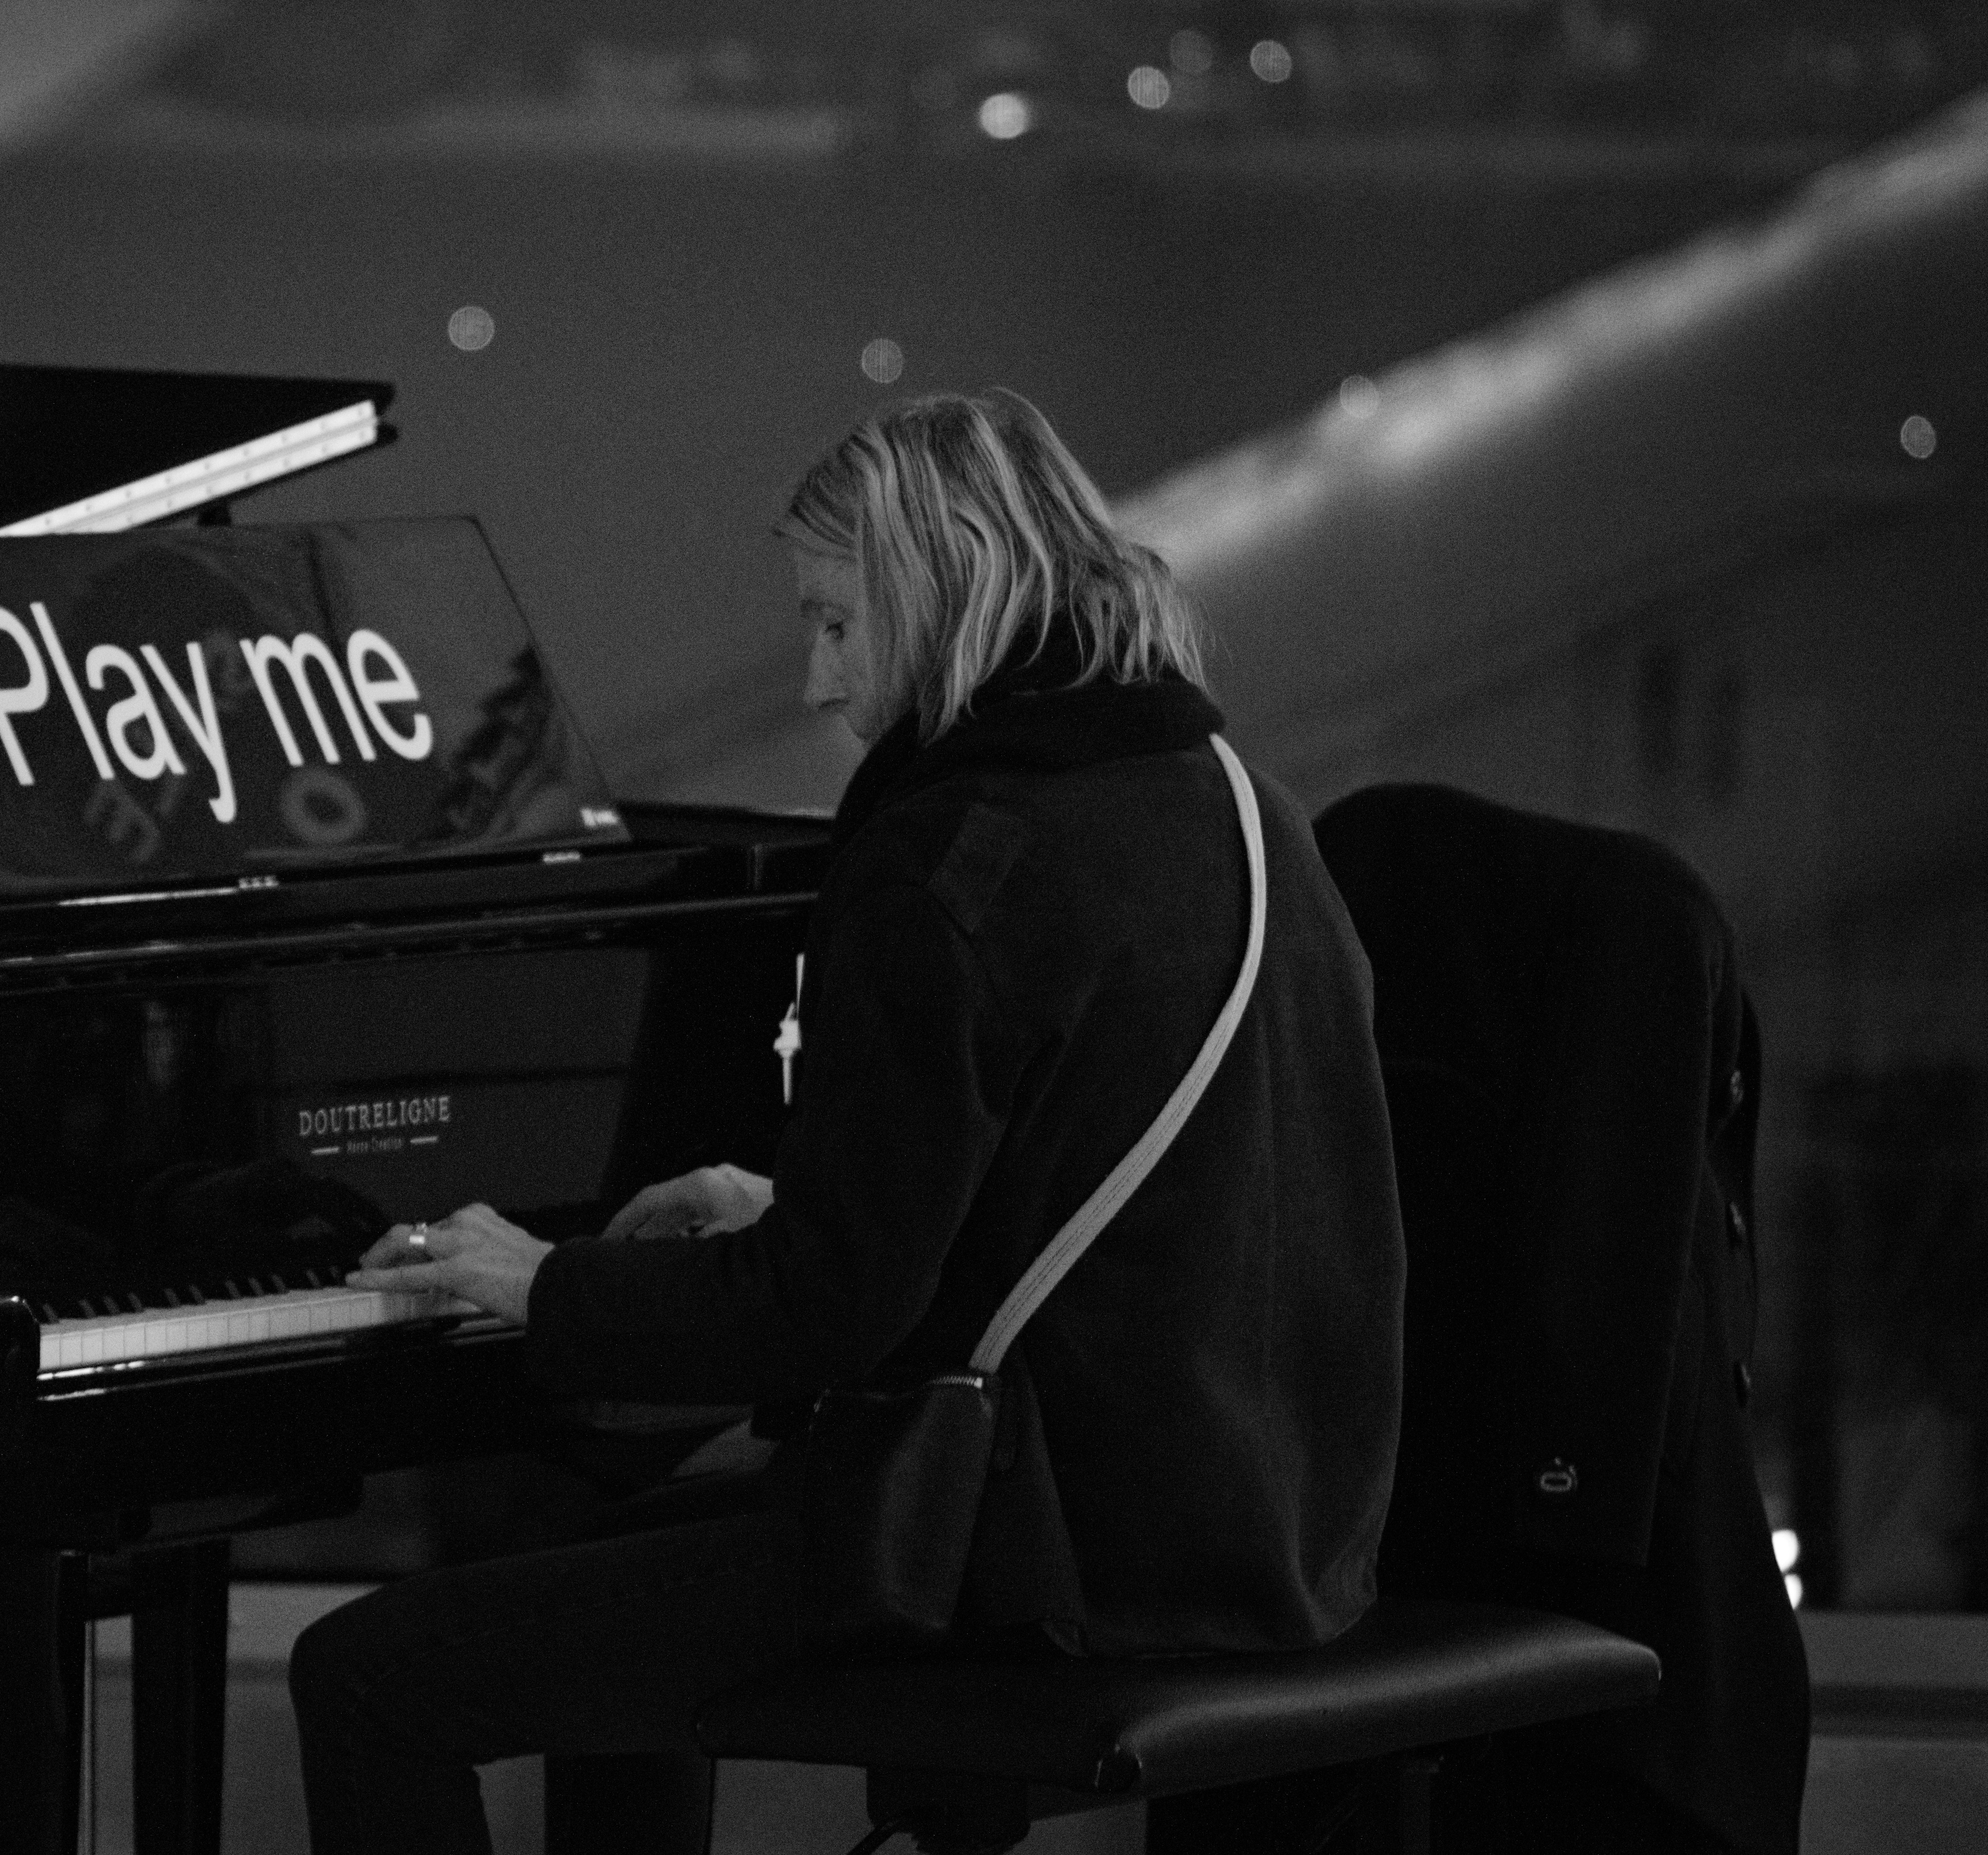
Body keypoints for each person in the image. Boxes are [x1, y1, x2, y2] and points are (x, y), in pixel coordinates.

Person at [289, 389, 1406, 1855]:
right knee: (600, 1574)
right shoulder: (1244, 810)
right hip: (1266, 1530)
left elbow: (824, 1315)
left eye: (837, 622)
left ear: (945, 597)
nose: (818, 682)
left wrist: (541, 1283)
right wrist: (787, 1204)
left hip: (1043, 1560)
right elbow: (1141, 1201)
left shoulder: (952, 861)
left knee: (370, 1673)